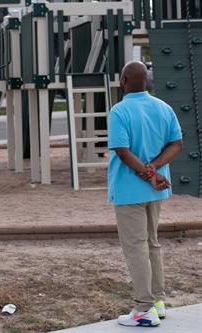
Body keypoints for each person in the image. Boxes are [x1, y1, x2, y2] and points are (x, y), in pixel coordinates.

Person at [108, 61, 183, 327]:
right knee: (152, 243)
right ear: (147, 82)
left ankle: (143, 309)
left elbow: (123, 151)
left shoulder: (119, 111)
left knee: (136, 247)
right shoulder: (164, 108)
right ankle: (158, 301)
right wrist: (155, 169)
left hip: (130, 191)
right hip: (157, 190)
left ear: (123, 81)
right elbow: (176, 143)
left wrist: (148, 173)